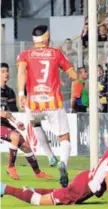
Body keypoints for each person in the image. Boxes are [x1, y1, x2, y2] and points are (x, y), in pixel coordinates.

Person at [1, 126, 108, 206]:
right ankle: (5, 188)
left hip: (84, 181)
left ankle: (29, 188)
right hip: (82, 187)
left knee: (54, 193)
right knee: (39, 202)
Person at [17, 25, 78, 187]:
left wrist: (21, 94)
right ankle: (63, 163)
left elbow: (21, 72)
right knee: (64, 137)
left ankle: (50, 155)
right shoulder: (56, 53)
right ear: (47, 38)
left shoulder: (25, 54)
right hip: (53, 102)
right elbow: (73, 76)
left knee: (35, 123)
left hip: (33, 102)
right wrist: (65, 66)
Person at [1, 63, 52, 180]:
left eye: (7, 71)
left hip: (4, 123)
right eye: (3, 71)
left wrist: (16, 121)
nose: (6, 74)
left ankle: (38, 172)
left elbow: (7, 112)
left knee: (26, 145)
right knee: (15, 137)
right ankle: (10, 167)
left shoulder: (9, 92)